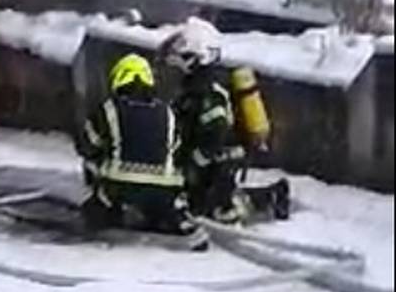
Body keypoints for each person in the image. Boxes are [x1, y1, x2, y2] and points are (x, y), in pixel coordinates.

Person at [160, 18, 290, 224]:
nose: (175, 68)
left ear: (194, 59)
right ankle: (261, 196)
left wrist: (192, 164)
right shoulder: (194, 90)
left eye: (179, 61)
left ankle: (268, 197)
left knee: (210, 208)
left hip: (219, 159)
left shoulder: (207, 93)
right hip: (213, 159)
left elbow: (215, 132)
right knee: (199, 199)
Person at [75, 53, 205, 249]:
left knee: (93, 210)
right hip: (165, 188)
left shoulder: (109, 109)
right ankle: (173, 220)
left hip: (120, 187)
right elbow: (177, 147)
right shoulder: (168, 112)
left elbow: (88, 144)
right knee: (164, 209)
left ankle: (106, 215)